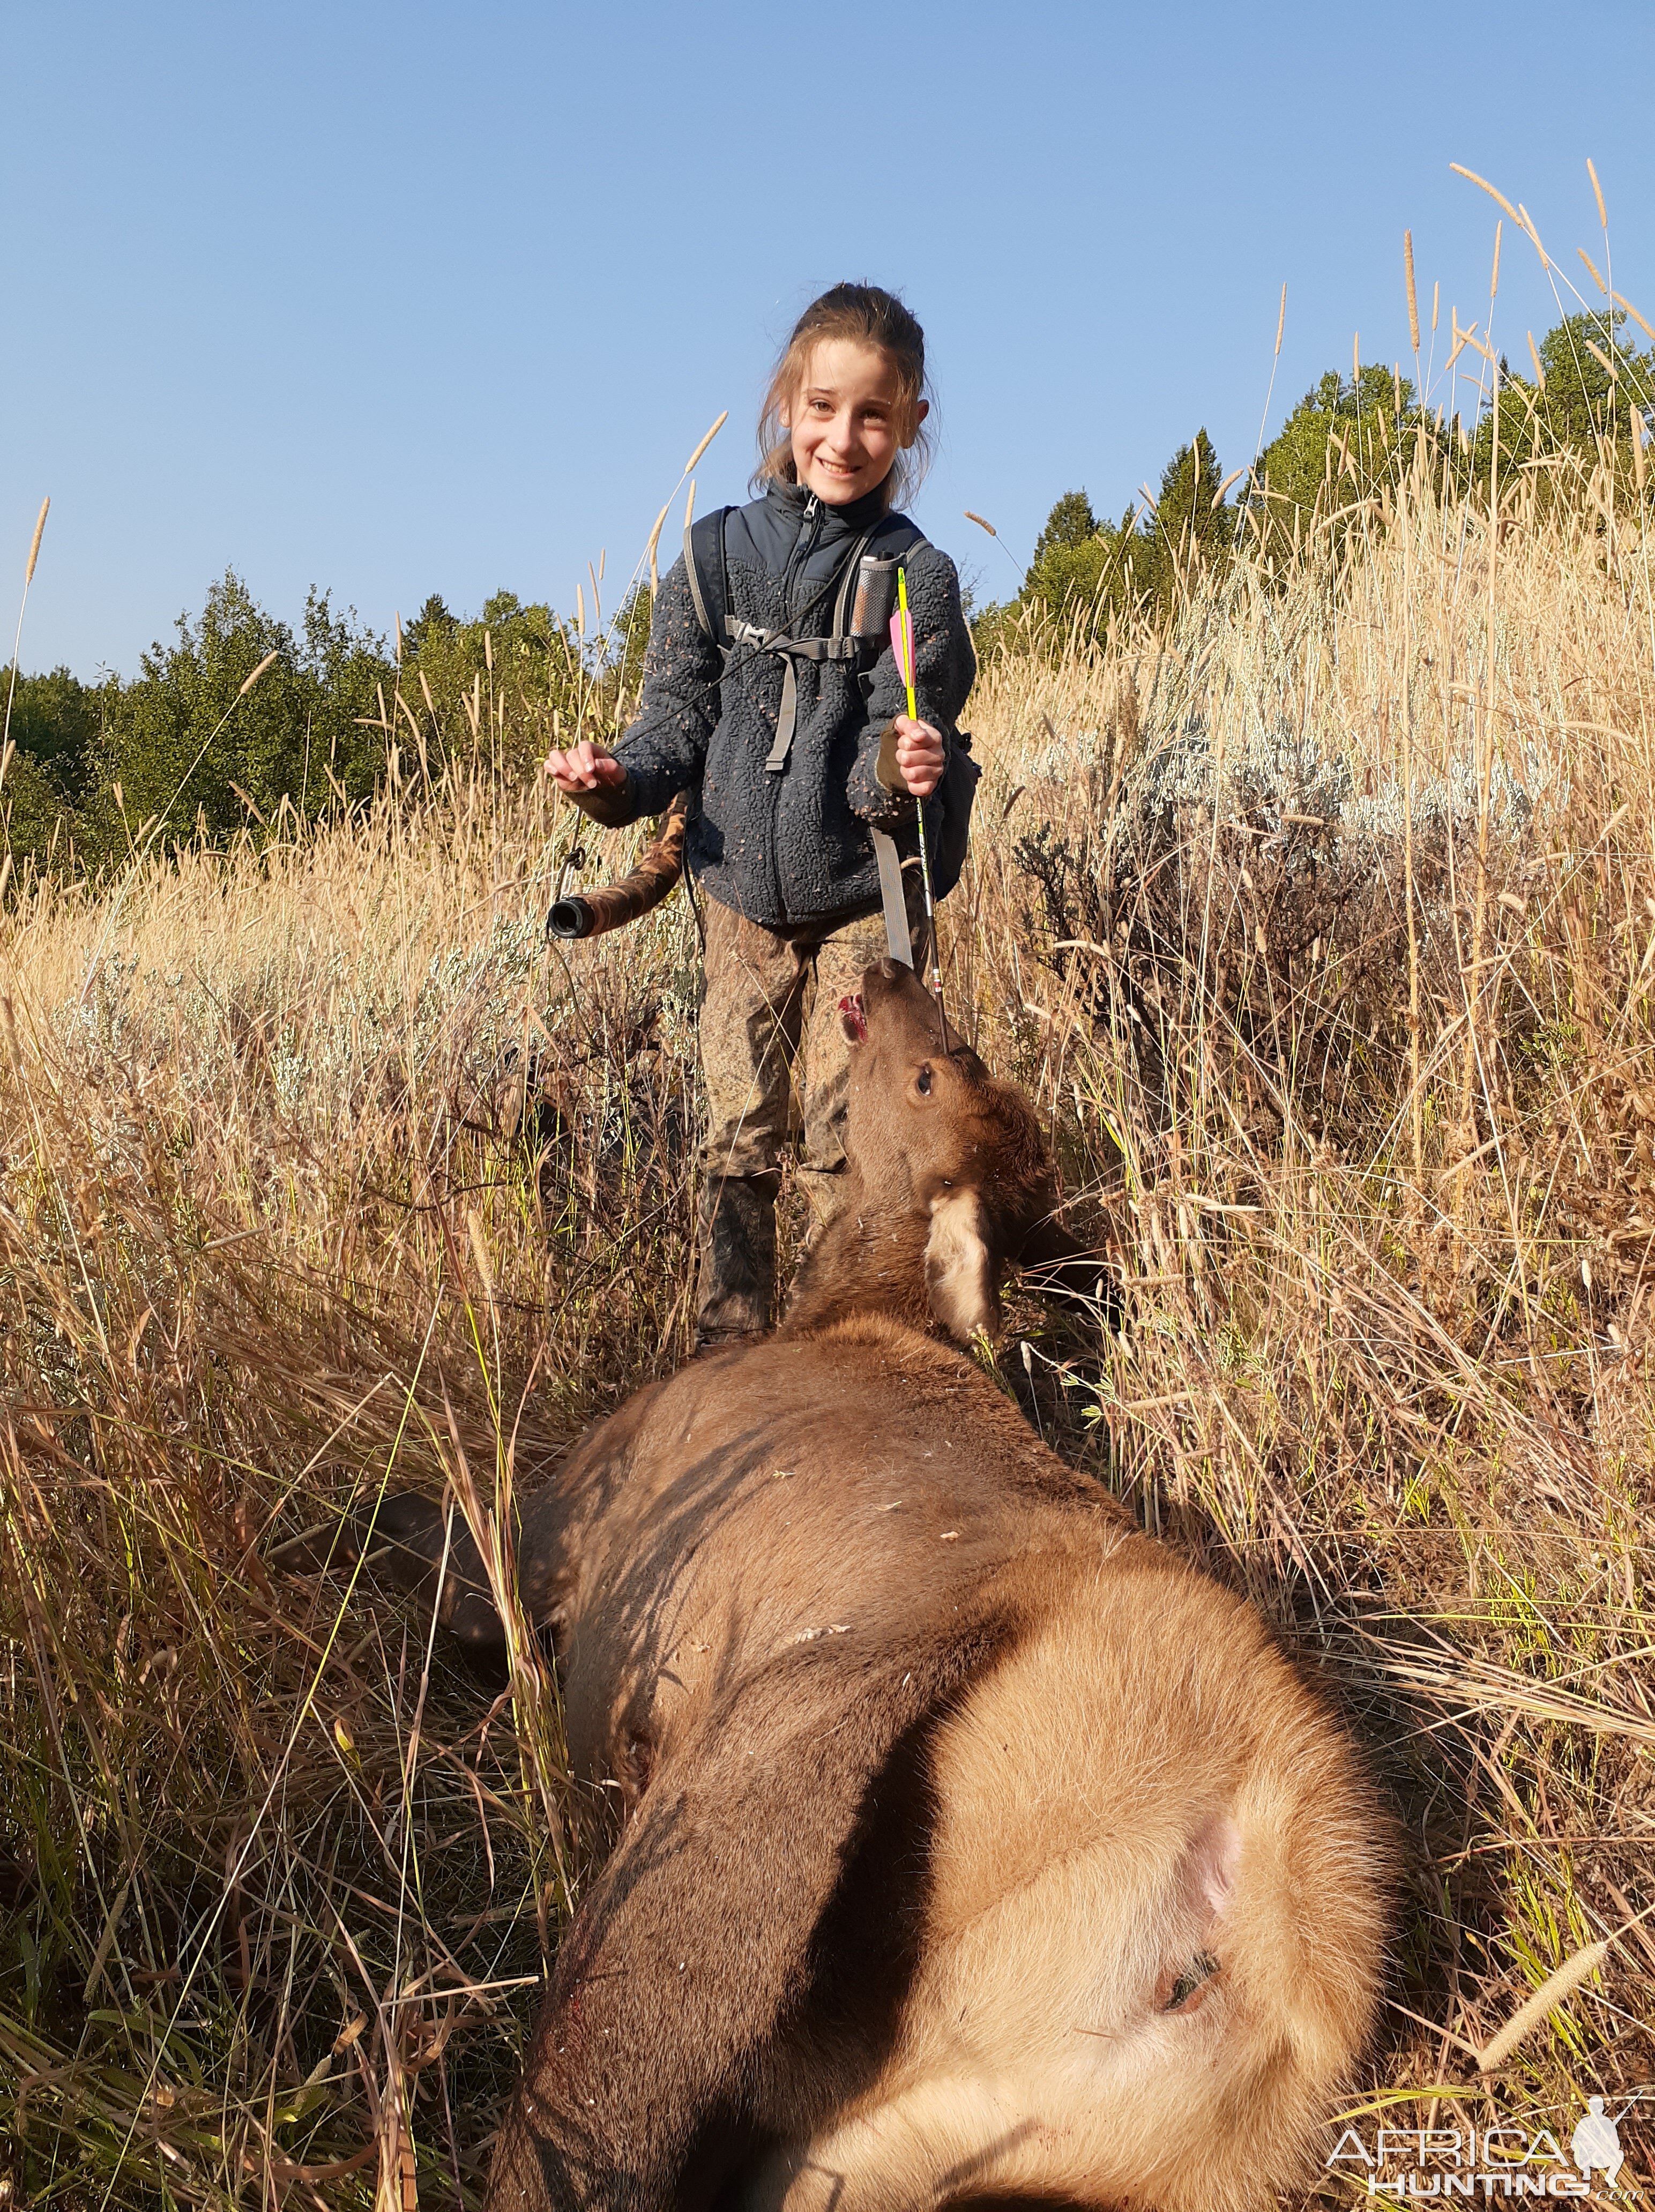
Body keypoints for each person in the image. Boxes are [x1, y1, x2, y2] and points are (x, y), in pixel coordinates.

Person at [545, 283, 977, 1349]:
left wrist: (903, 762)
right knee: (738, 1129)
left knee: (849, 1136)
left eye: (874, 415)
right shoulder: (706, 558)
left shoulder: (916, 577)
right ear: (788, 402)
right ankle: (730, 1352)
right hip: (734, 894)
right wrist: (611, 783)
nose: (844, 436)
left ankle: (853, 1338)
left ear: (912, 421)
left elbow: (901, 726)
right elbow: (670, 729)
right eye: (823, 407)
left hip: (858, 902)